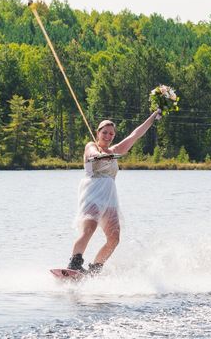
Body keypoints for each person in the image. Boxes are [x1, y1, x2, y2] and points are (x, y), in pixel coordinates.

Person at [66, 110, 162, 274]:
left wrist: (153, 116)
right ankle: (74, 263)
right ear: (98, 133)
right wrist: (100, 156)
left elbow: (135, 134)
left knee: (114, 238)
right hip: (93, 193)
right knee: (89, 229)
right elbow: (93, 154)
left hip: (110, 198)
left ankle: (95, 269)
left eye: (111, 134)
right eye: (104, 132)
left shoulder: (115, 150)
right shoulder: (91, 145)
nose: (108, 136)